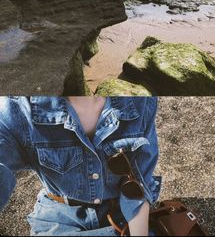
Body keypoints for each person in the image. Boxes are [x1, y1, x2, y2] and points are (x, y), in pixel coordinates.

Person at [0, 96, 161, 236]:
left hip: (120, 215)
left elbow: (136, 188)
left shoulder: (140, 99)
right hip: (58, 220)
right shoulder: (17, 109)